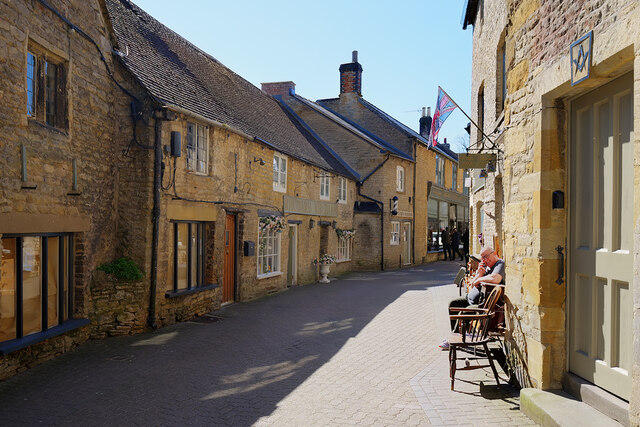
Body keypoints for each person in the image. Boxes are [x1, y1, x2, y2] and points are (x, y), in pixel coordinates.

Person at [439, 246, 505, 349]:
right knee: (453, 303)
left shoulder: (499, 264)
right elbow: (473, 283)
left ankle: (455, 340)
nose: (485, 260)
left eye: (487, 256)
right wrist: (480, 274)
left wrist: (479, 280)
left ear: (494, 253)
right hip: (472, 299)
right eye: (482, 258)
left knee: (464, 312)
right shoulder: (487, 267)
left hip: (482, 303)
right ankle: (456, 335)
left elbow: (495, 278)